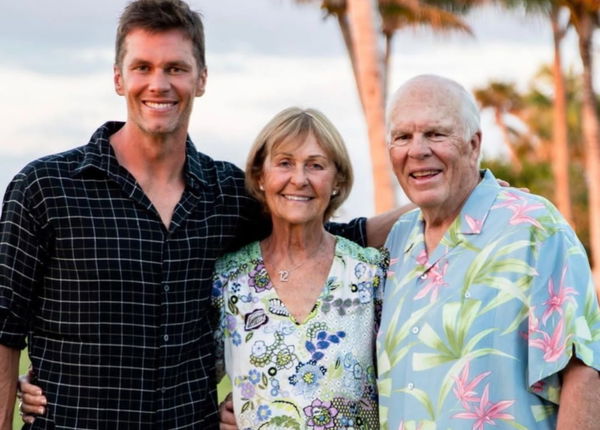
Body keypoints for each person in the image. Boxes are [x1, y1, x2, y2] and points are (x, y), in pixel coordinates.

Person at [0, 1, 398, 428]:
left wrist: (454, 197)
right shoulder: (46, 188)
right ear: (118, 77)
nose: (159, 84)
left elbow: (329, 236)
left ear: (201, 78)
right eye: (143, 67)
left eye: (175, 68)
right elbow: (5, 328)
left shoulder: (228, 193)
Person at [377, 74, 600, 429]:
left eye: (435, 134)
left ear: (473, 144)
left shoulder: (534, 228)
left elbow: (584, 372)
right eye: (402, 137)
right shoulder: (396, 243)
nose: (417, 150)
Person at [212, 107, 386, 429]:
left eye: (316, 165)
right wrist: (213, 418)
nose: (299, 179)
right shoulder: (229, 280)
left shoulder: (370, 275)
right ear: (260, 176)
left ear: (338, 180)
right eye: (284, 163)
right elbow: (188, 385)